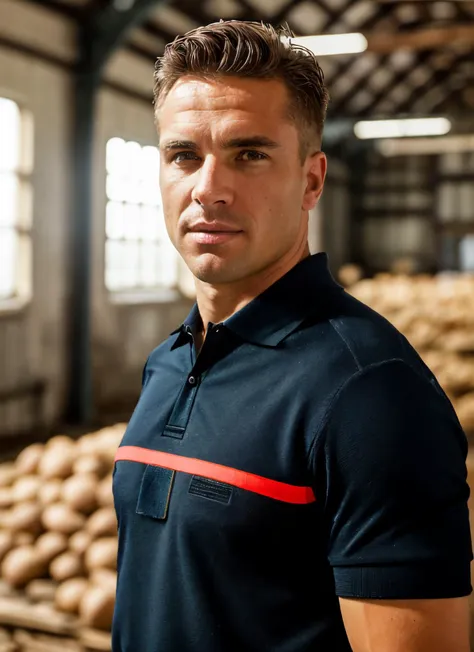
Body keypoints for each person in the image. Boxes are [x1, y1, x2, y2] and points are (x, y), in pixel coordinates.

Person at [111, 20, 472, 652]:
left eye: (249, 154)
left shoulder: (371, 395)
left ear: (311, 180)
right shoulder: (169, 362)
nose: (208, 188)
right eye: (183, 155)